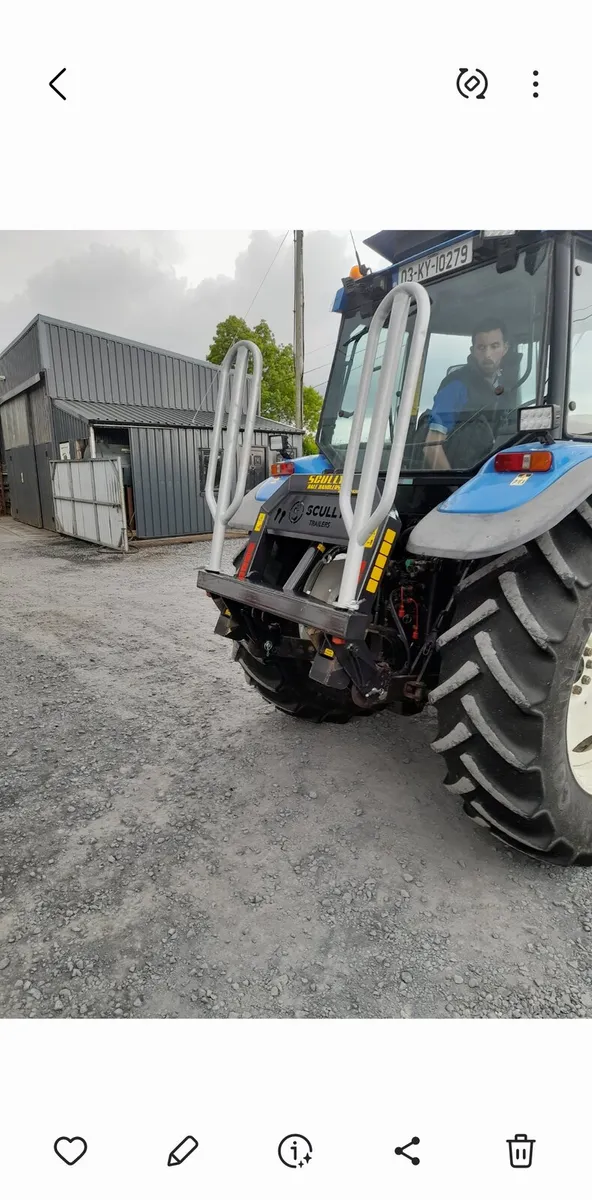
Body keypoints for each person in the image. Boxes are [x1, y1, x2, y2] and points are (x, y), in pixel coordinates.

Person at [423, 319, 511, 470]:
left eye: (494, 346)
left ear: (505, 349)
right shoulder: (456, 385)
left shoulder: (504, 388)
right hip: (457, 484)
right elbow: (431, 448)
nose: (487, 354)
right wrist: (456, 489)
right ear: (472, 351)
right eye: (481, 348)